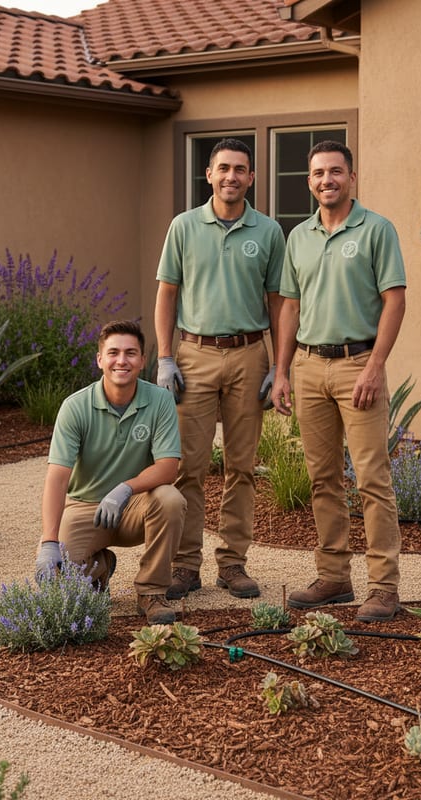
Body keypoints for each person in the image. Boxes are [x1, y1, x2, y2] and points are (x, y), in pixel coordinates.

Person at [270, 140, 406, 622]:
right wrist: (282, 370)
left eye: (335, 172)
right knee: (322, 478)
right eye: (318, 174)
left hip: (357, 365)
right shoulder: (299, 236)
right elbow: (290, 305)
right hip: (308, 367)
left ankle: (384, 587)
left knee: (372, 478)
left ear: (352, 177)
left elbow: (395, 300)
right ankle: (334, 578)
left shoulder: (376, 230)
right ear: (309, 182)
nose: (326, 180)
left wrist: (374, 366)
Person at [154, 137, 285, 600]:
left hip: (250, 355)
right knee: (188, 466)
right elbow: (167, 293)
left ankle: (232, 563)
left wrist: (279, 365)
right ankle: (184, 565)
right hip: (194, 355)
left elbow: (277, 302)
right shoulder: (184, 227)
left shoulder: (269, 232)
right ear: (208, 174)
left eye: (241, 169)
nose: (231, 176)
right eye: (223, 168)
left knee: (242, 466)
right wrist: (165, 357)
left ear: (251, 178)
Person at [35, 319, 186, 625]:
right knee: (60, 587)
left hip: (135, 505)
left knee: (171, 499)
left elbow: (168, 467)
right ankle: (100, 566)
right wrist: (49, 542)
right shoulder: (75, 407)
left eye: (131, 353)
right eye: (113, 352)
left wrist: (126, 488)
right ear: (100, 359)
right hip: (84, 507)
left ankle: (151, 592)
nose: (122, 360)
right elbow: (57, 477)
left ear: (143, 361)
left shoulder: (160, 400)